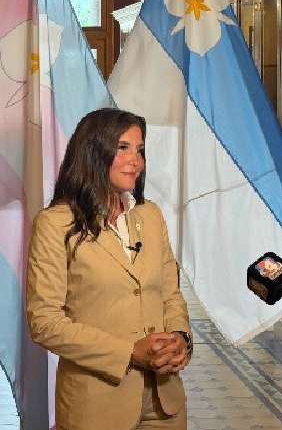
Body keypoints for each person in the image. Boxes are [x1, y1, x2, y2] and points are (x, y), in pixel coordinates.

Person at [26, 108, 192, 430]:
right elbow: (45, 322)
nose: (136, 161)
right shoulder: (54, 224)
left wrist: (180, 338)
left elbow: (170, 294)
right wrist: (129, 352)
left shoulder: (151, 216)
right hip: (95, 406)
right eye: (123, 148)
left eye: (140, 150)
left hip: (165, 403)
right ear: (93, 152)